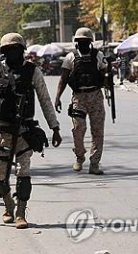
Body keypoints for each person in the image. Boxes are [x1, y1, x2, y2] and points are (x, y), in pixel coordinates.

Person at [0, 32, 62, 229]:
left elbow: (45, 100)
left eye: (16, 49)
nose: (13, 53)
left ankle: (21, 211)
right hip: (0, 131)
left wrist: (54, 127)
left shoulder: (33, 72)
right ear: (4, 52)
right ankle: (8, 204)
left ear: (22, 51)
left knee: (24, 172)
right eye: (9, 50)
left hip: (24, 131)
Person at [55, 27, 107, 175]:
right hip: (79, 96)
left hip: (95, 95)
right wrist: (58, 97)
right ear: (76, 43)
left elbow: (105, 74)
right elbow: (63, 79)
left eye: (85, 41)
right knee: (79, 129)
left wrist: (109, 75)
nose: (83, 44)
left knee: (97, 131)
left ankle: (94, 163)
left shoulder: (98, 55)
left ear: (90, 42)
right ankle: (80, 156)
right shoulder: (70, 58)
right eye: (80, 42)